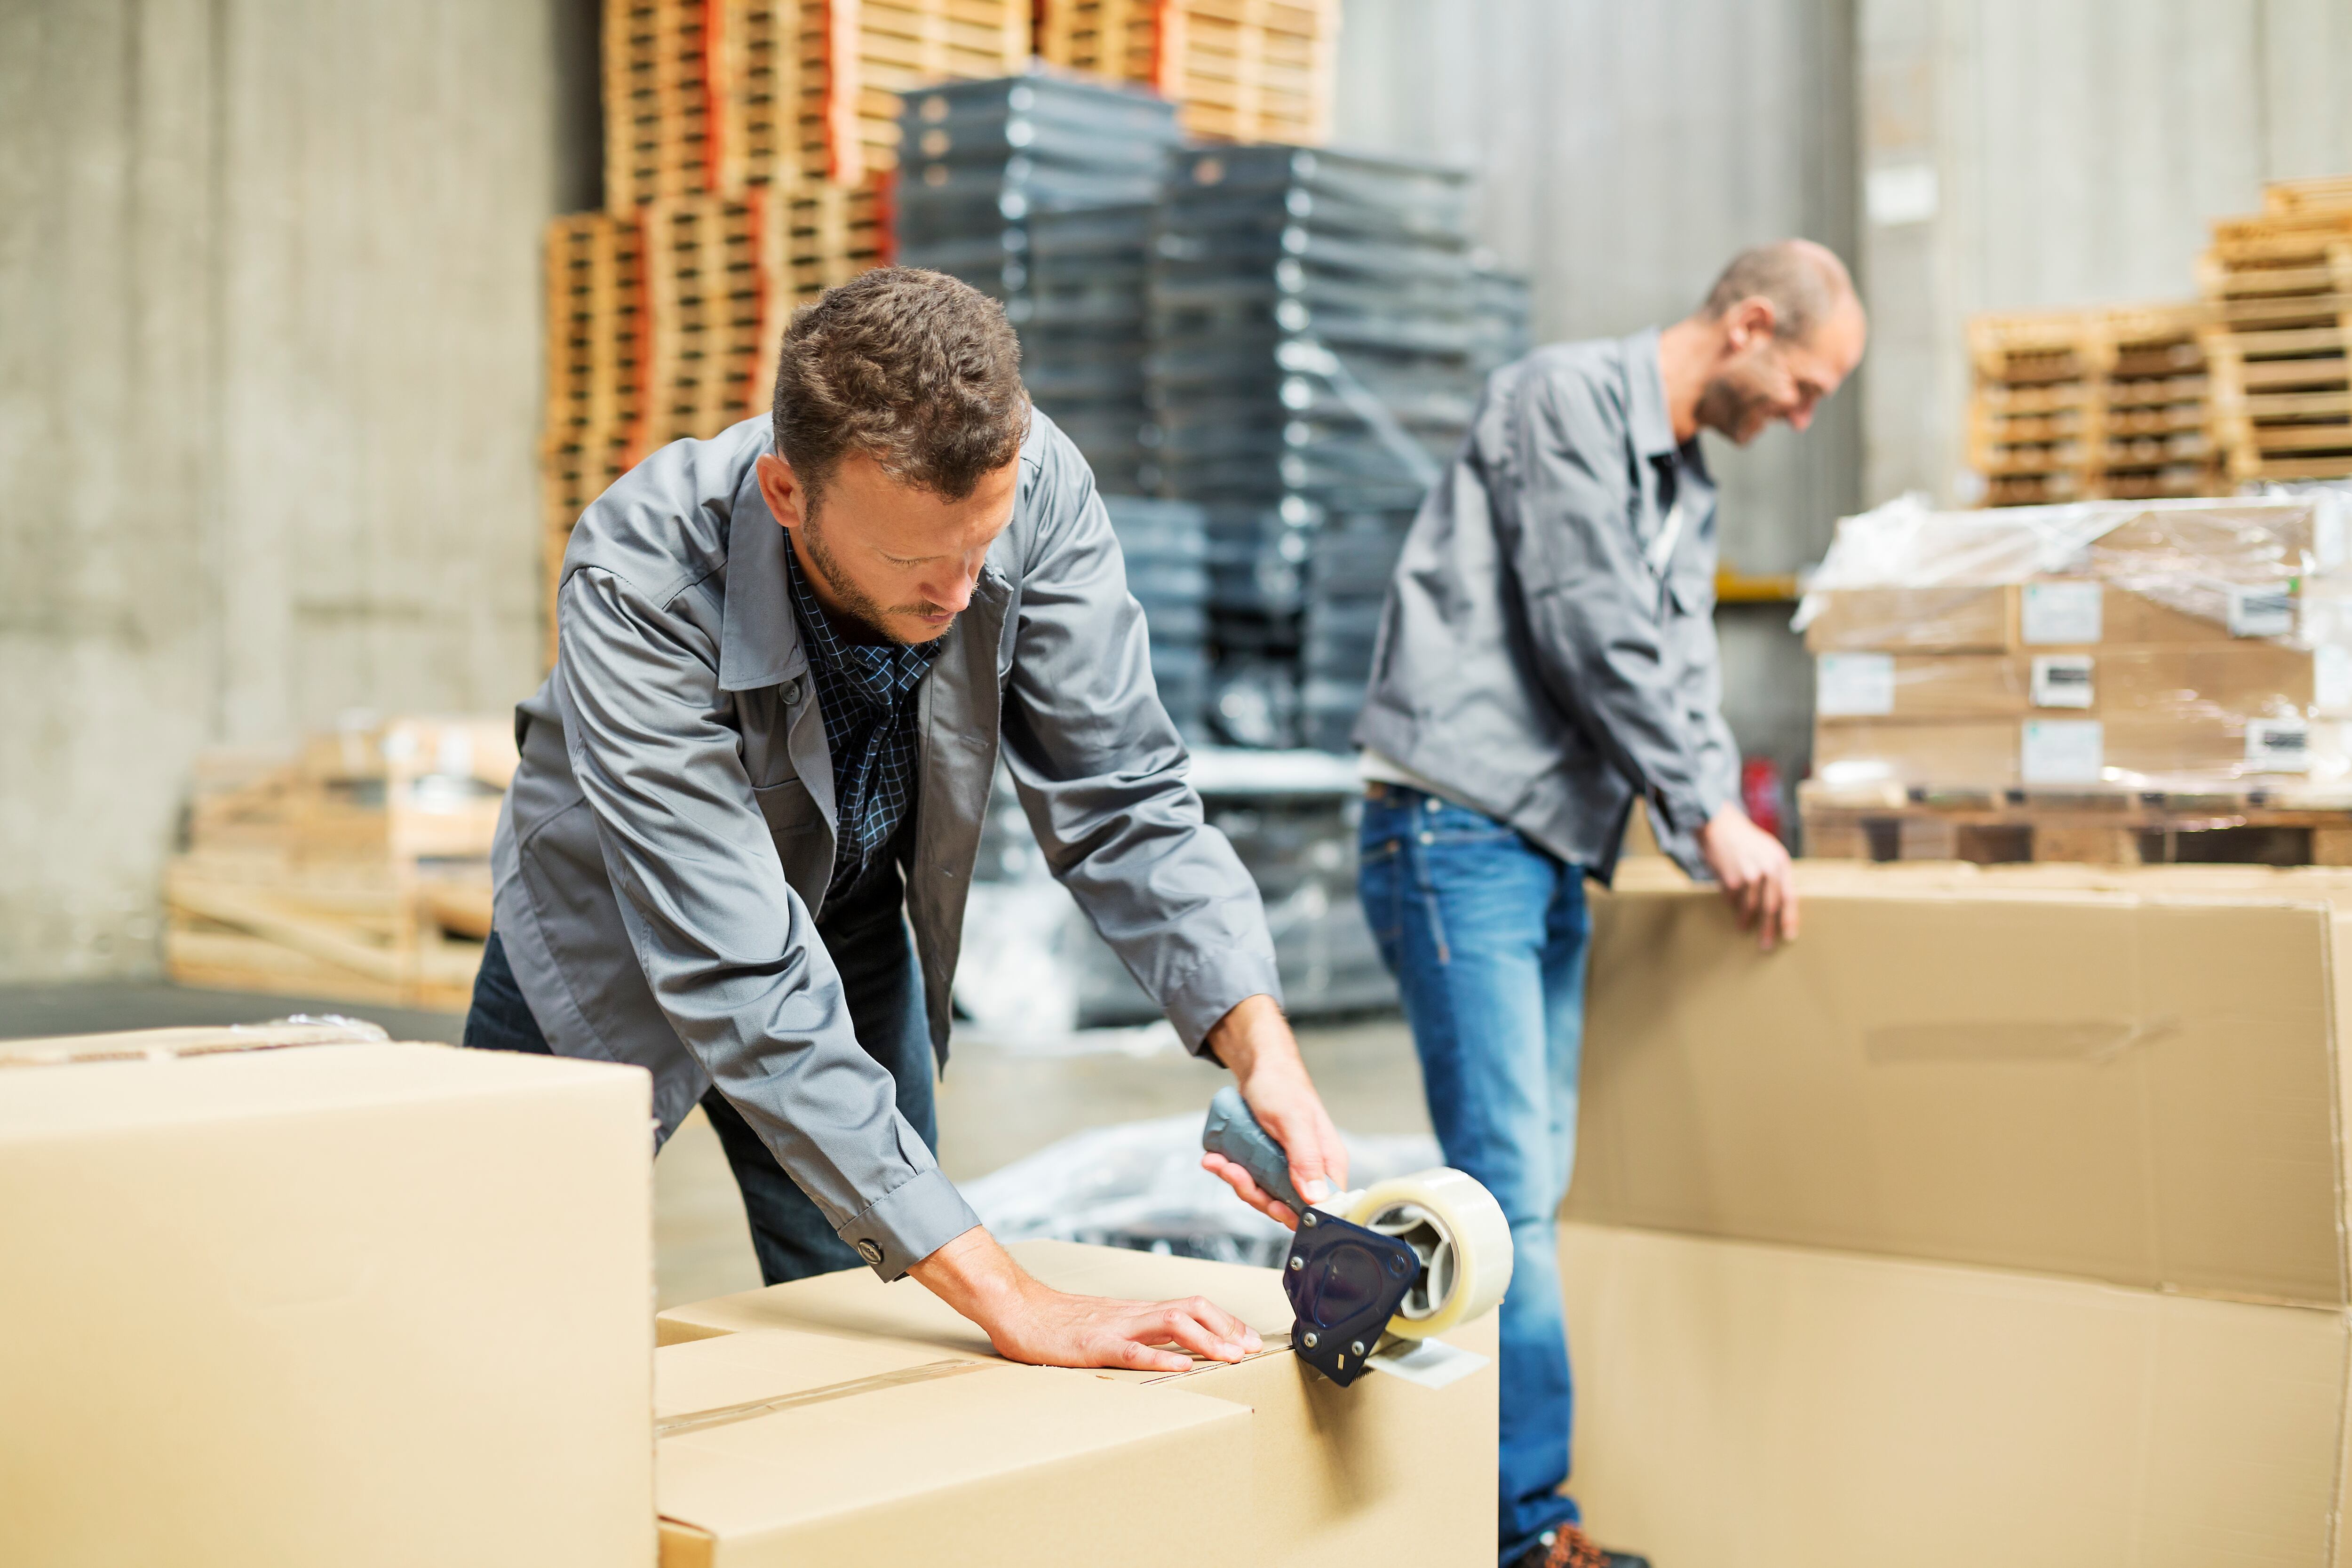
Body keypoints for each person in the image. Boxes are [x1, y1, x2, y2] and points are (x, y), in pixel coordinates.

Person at [466, 267, 1346, 1372]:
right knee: (498, 1301)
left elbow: (1120, 787)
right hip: (614, 927)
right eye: (911, 562)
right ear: (787, 494)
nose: (960, 592)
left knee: (875, 1301)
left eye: (981, 547)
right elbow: (739, 971)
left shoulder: (1038, 485)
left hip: (845, 902)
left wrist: (1258, 1043)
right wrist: (1021, 1300)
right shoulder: (641, 579)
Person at [1351, 240, 1867, 1568]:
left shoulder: (1683, 483)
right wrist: (1708, 812)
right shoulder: (1564, 401)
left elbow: (1680, 669)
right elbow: (1591, 622)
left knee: (1518, 1186)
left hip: (1549, 843)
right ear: (1749, 324)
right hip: (1456, 825)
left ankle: (1457, 1466)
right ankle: (1524, 1528)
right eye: (1805, 386)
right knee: (1508, 1193)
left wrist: (1721, 824)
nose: (1803, 417)